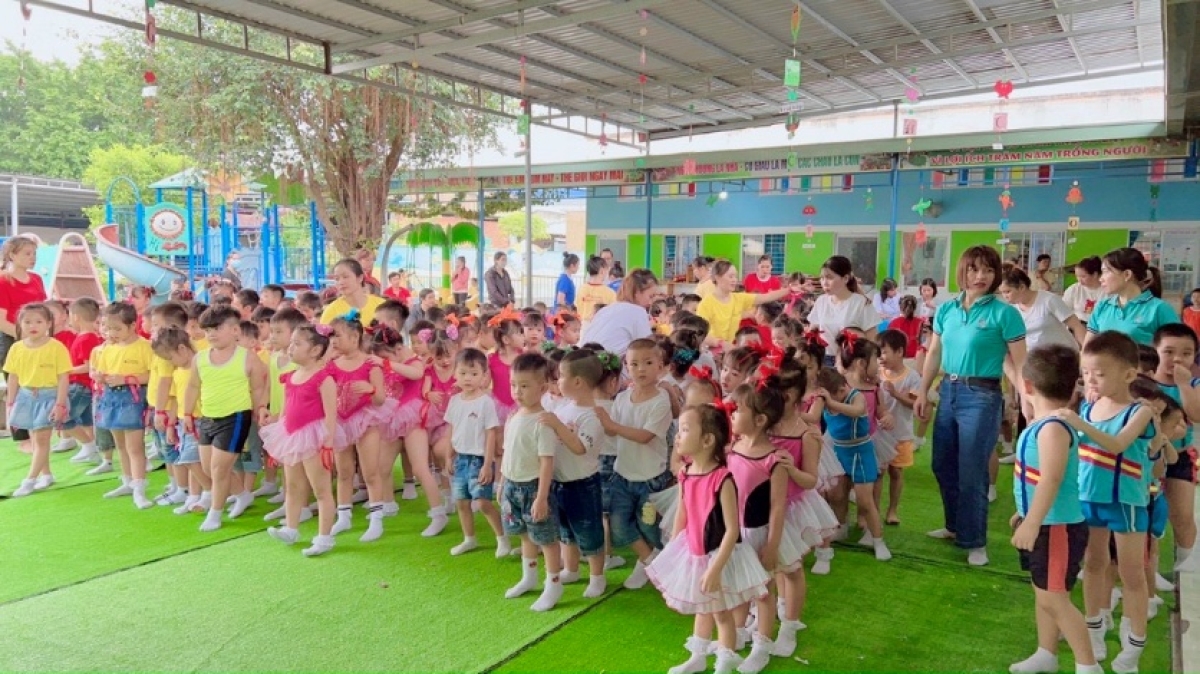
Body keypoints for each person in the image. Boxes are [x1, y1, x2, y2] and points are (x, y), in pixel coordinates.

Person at [914, 245, 1026, 567]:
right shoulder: (947, 310)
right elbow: (935, 353)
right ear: (962, 271)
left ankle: (976, 542)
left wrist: (1027, 401)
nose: (981, 276)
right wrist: (922, 391)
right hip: (948, 391)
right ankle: (954, 527)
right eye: (974, 269)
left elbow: (1021, 364)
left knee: (972, 471)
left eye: (989, 270)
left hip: (982, 395)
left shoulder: (1005, 313)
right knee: (942, 465)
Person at [1055, 332, 1157, 672]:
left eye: (1099, 373)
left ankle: (1134, 645)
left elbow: (1117, 444)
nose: (1091, 380)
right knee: (1093, 565)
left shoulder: (1139, 412)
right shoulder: (1088, 406)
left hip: (1126, 502)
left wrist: (1078, 423)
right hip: (1088, 498)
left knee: (1131, 573)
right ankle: (1095, 629)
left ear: (1129, 374)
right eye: (1086, 373)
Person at [647, 403, 770, 674]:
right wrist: (673, 548)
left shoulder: (722, 479)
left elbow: (732, 530)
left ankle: (724, 662)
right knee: (703, 608)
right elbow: (682, 514)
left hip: (719, 556)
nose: (678, 435)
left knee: (721, 613)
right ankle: (698, 656)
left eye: (684, 429)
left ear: (707, 440)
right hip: (694, 552)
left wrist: (715, 569)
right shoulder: (686, 473)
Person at [1006, 344, 1101, 674]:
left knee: (1054, 599)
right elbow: (1035, 478)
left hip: (1056, 527)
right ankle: (1046, 652)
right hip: (1044, 521)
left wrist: (1032, 522)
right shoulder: (1045, 424)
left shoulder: (1052, 429)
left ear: (1028, 386)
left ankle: (1088, 666)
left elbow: (1052, 478)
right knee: (1043, 592)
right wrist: (1025, 513)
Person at [764, 355, 839, 657]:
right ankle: (774, 611)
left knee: (791, 568)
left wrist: (791, 470)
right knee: (771, 566)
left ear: (794, 396)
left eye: (780, 393)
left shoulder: (807, 434)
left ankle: (789, 626)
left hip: (792, 507)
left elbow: (810, 480)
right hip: (762, 506)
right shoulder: (763, 426)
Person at [595, 338, 675, 591]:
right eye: (634, 364)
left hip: (651, 479)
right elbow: (611, 432)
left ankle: (651, 564)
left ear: (660, 366)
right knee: (619, 526)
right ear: (627, 368)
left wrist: (612, 425)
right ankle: (652, 562)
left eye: (648, 363)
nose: (641, 369)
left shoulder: (661, 400)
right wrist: (597, 420)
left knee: (649, 528)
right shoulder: (622, 398)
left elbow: (645, 436)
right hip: (622, 474)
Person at [182, 306, 269, 532]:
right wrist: (187, 413)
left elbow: (258, 387)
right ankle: (242, 494)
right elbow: (193, 387)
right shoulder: (200, 358)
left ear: (235, 330)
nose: (211, 334)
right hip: (208, 418)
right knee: (209, 468)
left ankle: (215, 513)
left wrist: (260, 409)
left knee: (219, 469)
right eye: (208, 330)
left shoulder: (247, 357)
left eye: (217, 328)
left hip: (236, 418)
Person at [259, 324, 338, 557]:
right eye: (291, 342)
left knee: (321, 489)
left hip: (314, 438)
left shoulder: (323, 378)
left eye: (297, 343)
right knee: (292, 486)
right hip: (292, 436)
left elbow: (331, 414)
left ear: (315, 350)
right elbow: (286, 411)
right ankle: (291, 529)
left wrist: (328, 443)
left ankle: (324, 537)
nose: (291, 347)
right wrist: (278, 436)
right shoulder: (292, 376)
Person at [500, 352, 567, 612]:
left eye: (524, 386)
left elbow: (546, 462)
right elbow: (508, 452)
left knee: (546, 539)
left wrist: (541, 498)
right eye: (514, 385)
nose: (517, 391)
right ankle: (529, 577)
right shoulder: (514, 416)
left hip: (533, 488)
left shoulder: (543, 422)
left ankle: (554, 584)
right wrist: (502, 483)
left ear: (542, 387)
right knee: (523, 534)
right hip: (512, 485)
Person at [546, 350, 609, 598]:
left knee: (588, 531)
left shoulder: (592, 416)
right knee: (565, 530)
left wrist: (556, 425)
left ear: (578, 382)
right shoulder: (565, 407)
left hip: (583, 484)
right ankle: (571, 569)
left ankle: (597, 577)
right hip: (560, 481)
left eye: (561, 376)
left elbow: (580, 447)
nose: (558, 380)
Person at [326, 312, 389, 542]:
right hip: (341, 420)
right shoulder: (331, 365)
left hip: (365, 419)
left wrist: (370, 389)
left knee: (370, 471)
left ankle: (376, 519)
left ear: (354, 338)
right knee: (343, 472)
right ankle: (344, 516)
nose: (333, 340)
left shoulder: (370, 364)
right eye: (331, 336)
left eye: (338, 336)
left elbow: (381, 399)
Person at [442, 347, 506, 557]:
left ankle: (502, 538)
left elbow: (491, 434)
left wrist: (488, 465)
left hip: (479, 460)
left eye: (473, 373)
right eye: (462, 373)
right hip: (460, 459)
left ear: (484, 376)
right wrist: (448, 456)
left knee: (482, 502)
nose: (467, 378)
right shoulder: (454, 401)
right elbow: (451, 430)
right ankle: (469, 539)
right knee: (461, 502)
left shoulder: (486, 402)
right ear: (455, 373)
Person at [94, 302, 155, 509]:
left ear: (132, 326)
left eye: (117, 329)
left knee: (135, 447)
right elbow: (102, 372)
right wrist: (100, 377)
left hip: (133, 398)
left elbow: (152, 375)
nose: (112, 333)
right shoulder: (107, 349)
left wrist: (126, 379)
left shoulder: (145, 347)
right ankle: (127, 481)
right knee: (120, 444)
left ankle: (139, 488)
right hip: (110, 397)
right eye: (108, 328)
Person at [5, 304, 71, 497]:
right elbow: (13, 377)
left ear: (48, 324)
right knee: (35, 439)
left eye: (38, 321)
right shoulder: (16, 348)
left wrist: (60, 404)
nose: (32, 326)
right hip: (25, 397)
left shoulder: (56, 347)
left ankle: (29, 480)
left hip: (49, 397)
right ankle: (46, 474)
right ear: (20, 324)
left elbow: (63, 378)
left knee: (42, 439)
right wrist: (11, 403)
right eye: (27, 322)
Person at [1149, 324, 1200, 572]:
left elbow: (1196, 414)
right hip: (1148, 461)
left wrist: (1184, 385)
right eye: (1168, 352)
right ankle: (1151, 569)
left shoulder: (1195, 384)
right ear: (1155, 351)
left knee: (1182, 515)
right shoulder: (1145, 383)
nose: (1177, 359)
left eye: (1186, 353)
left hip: (1180, 457)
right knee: (1149, 516)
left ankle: (1186, 563)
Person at [0, 236, 46, 447]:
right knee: (17, 387)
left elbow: (44, 310)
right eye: (27, 253)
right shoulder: (3, 281)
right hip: (13, 339)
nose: (32, 258)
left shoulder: (36, 279)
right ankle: (22, 438)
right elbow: (1, 321)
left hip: (38, 339)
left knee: (39, 385)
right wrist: (25, 339)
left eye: (34, 253)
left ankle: (39, 431)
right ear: (12, 255)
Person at [1086, 247, 1178, 347]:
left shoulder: (1160, 308)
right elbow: (1088, 349)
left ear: (1127, 275)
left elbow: (1177, 347)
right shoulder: (1102, 306)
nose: (1101, 279)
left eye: (1106, 271)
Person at [696, 261, 799, 348]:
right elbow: (700, 334)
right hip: (712, 351)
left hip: (732, 350)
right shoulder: (706, 304)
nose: (734, 280)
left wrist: (789, 290)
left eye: (735, 276)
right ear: (717, 277)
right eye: (730, 276)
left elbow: (766, 297)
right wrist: (720, 343)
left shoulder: (738, 298)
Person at [806, 256, 880, 363]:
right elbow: (812, 332)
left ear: (845, 278)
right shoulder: (821, 301)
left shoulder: (861, 303)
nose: (824, 283)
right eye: (822, 278)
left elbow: (872, 339)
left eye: (829, 278)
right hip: (824, 360)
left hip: (851, 362)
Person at [999, 267, 1085, 350]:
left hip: (1063, 354)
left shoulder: (1049, 300)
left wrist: (1086, 353)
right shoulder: (1011, 309)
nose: (1005, 296)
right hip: (1036, 356)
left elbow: (1076, 326)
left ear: (1022, 287)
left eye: (1007, 292)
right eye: (1002, 292)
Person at [581, 269, 657, 357]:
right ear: (637, 293)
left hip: (584, 360)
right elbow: (648, 348)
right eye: (651, 296)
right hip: (610, 363)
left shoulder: (605, 309)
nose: (651, 302)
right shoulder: (638, 311)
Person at [320, 259, 386, 327]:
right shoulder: (331, 311)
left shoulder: (381, 305)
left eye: (345, 277)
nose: (341, 282)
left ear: (360, 278)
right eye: (337, 279)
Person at [1063, 257, 1106, 324]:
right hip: (1077, 325)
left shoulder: (1107, 290)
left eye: (1083, 276)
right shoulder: (1074, 289)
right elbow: (1064, 311)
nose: (1079, 280)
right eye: (1077, 276)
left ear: (1095, 274)